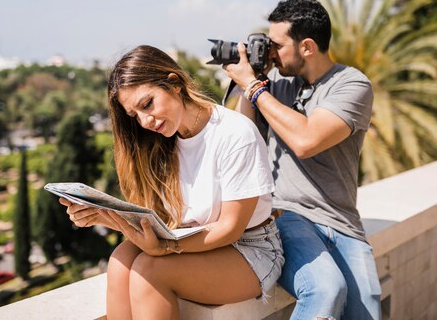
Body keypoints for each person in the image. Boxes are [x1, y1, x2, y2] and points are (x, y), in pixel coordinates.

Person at [59, 45, 284, 320]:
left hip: (249, 249)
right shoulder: (160, 144)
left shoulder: (234, 134)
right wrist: (102, 216)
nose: (144, 121)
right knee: (120, 262)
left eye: (147, 104)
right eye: (134, 115)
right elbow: (160, 221)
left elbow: (230, 229)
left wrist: (167, 248)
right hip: (190, 237)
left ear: (174, 83)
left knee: (148, 272)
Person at [223, 0, 381, 320]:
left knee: (368, 314)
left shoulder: (351, 85)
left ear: (307, 47)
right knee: (326, 289)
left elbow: (307, 140)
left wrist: (254, 87)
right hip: (287, 213)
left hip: (342, 221)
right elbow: (242, 134)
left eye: (277, 45)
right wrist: (251, 78)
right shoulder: (274, 88)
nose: (272, 52)